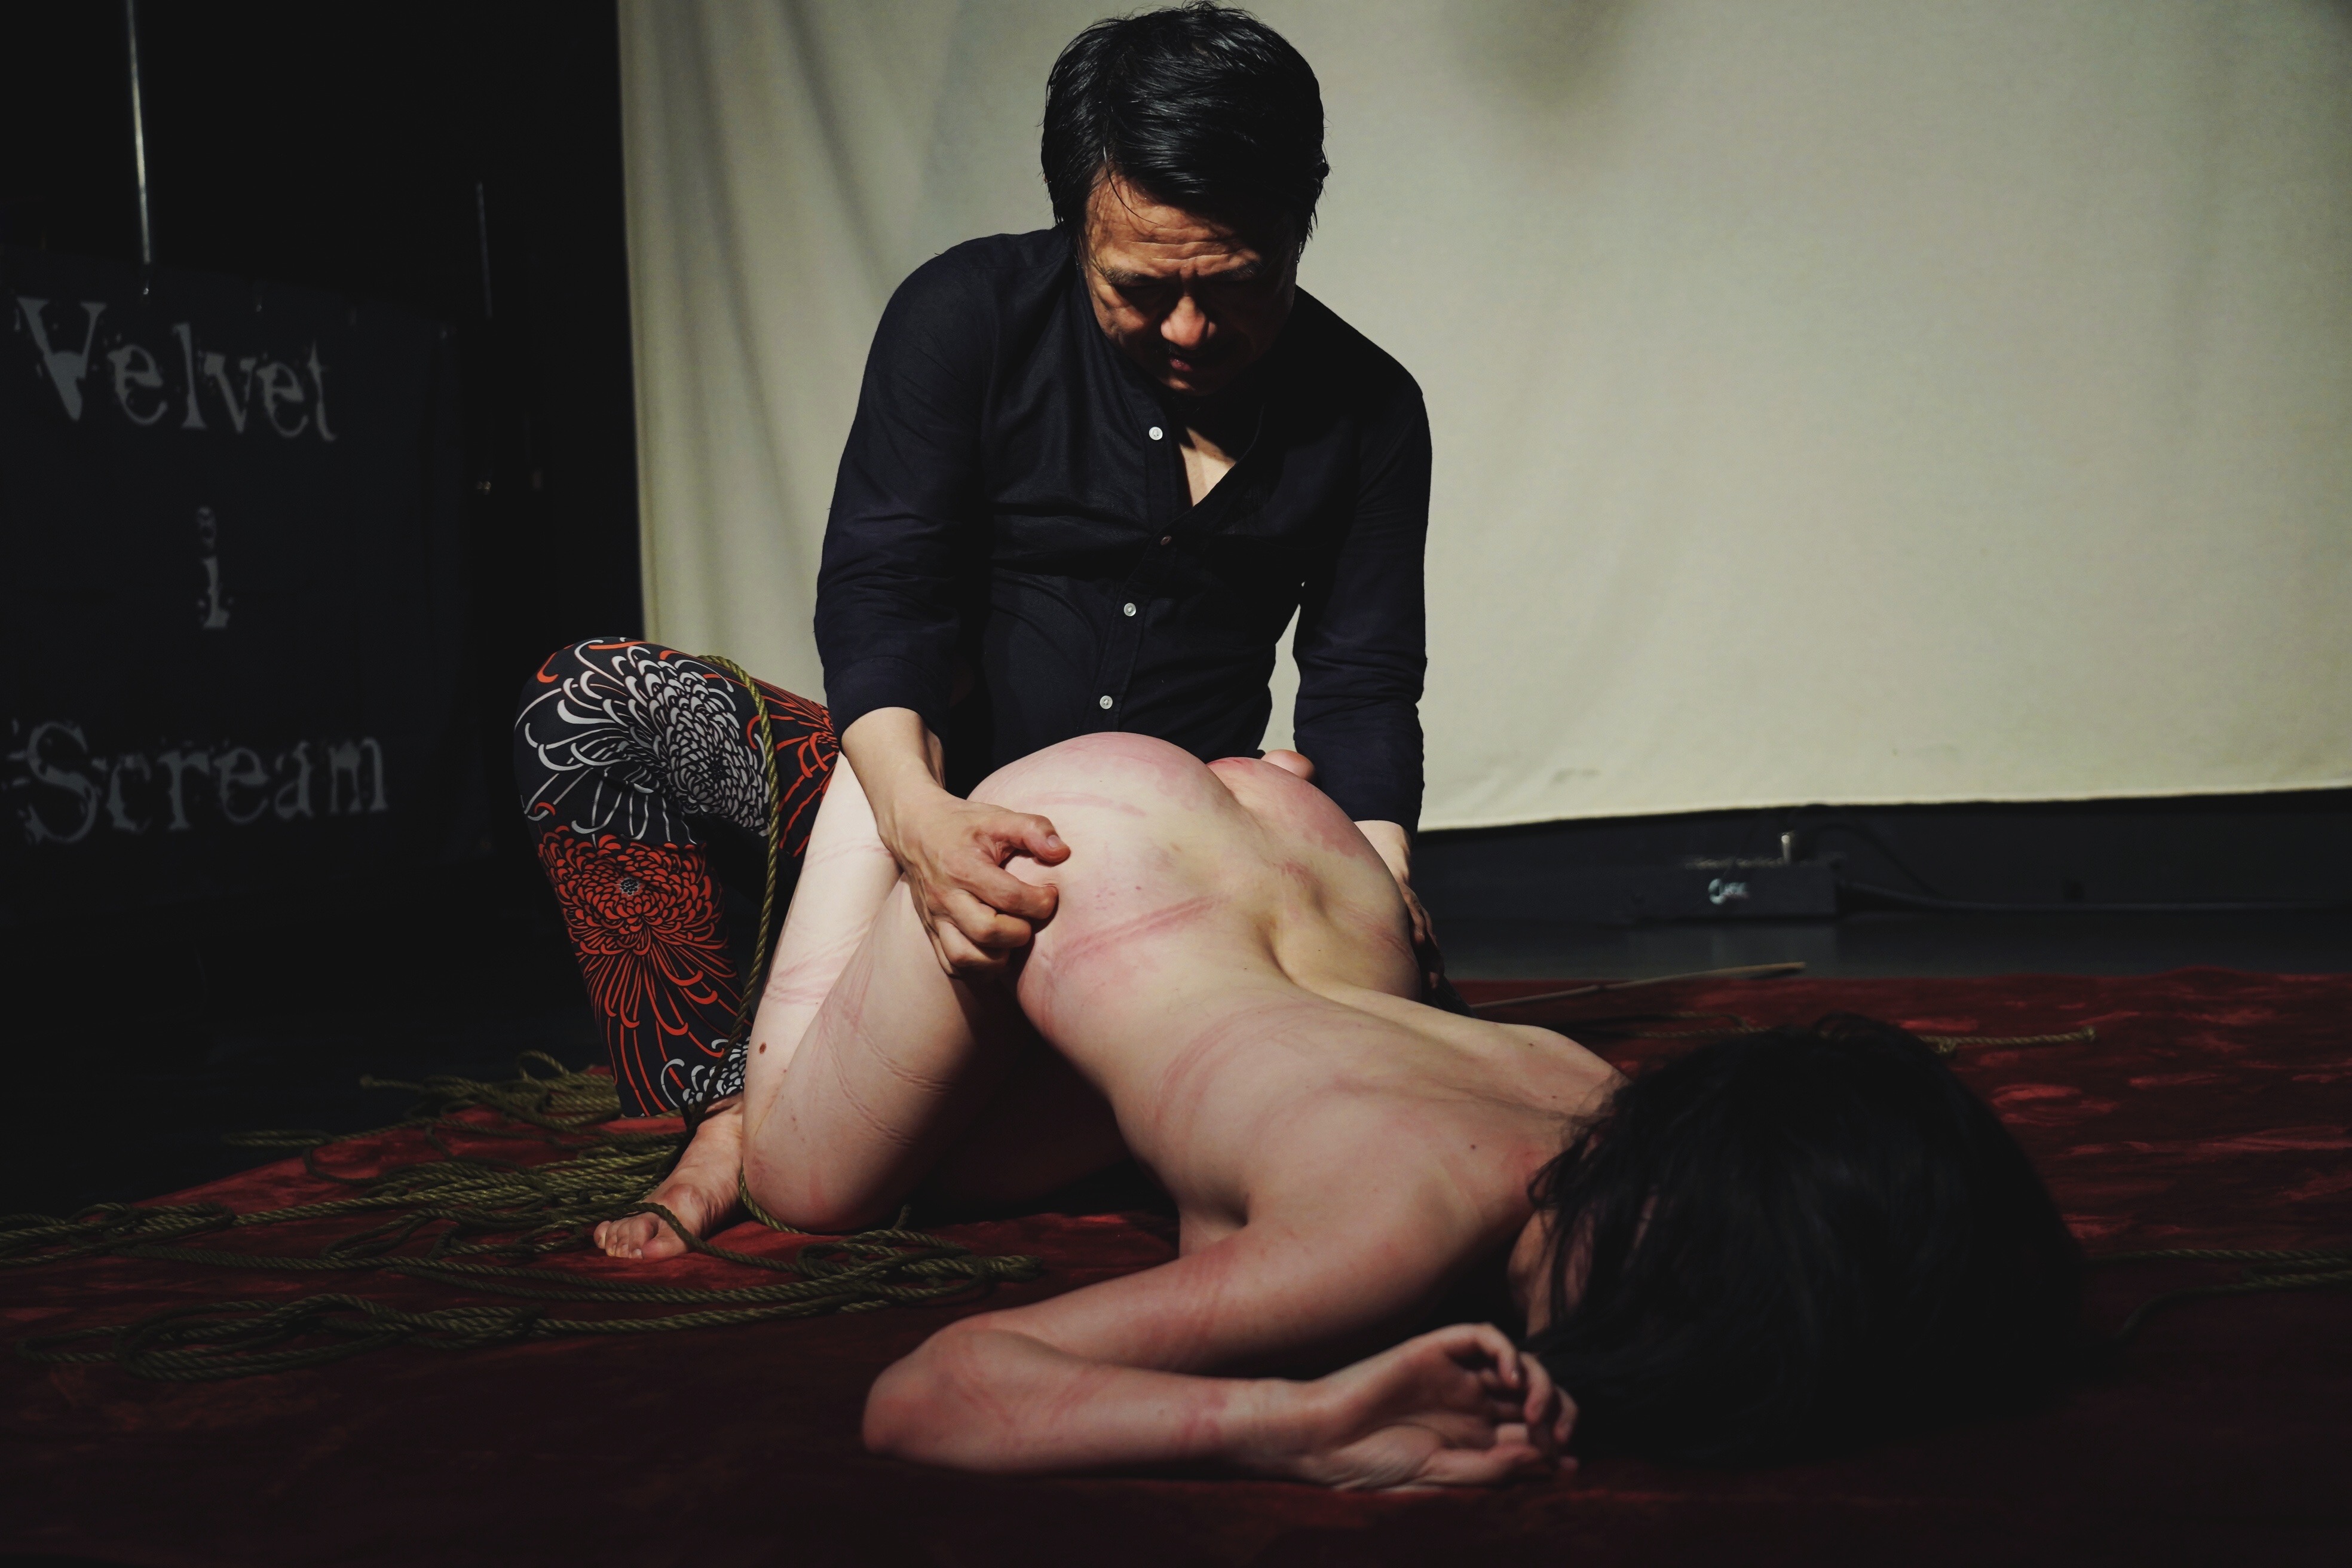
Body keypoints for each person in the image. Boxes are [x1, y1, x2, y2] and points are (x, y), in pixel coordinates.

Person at [596, 733, 2086, 1483]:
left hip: (1298, 869)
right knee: (809, 1177)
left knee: (1067, 1124)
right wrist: (1302, 1423)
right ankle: (885, 782)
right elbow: (929, 1395)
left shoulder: (1604, 1096)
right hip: (1060, 847)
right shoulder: (1396, 1220)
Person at [515, 4, 1439, 1119]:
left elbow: (1363, 683)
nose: (1191, 331)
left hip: (1152, 860)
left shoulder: (1372, 411)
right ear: (1077, 225)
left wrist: (1378, 881)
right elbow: (884, 590)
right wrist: (917, 822)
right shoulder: (968, 316)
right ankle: (718, 1111)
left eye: (1237, 281)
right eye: (1142, 290)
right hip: (912, 797)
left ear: (1300, 221)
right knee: (590, 706)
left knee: (1364, 1042)